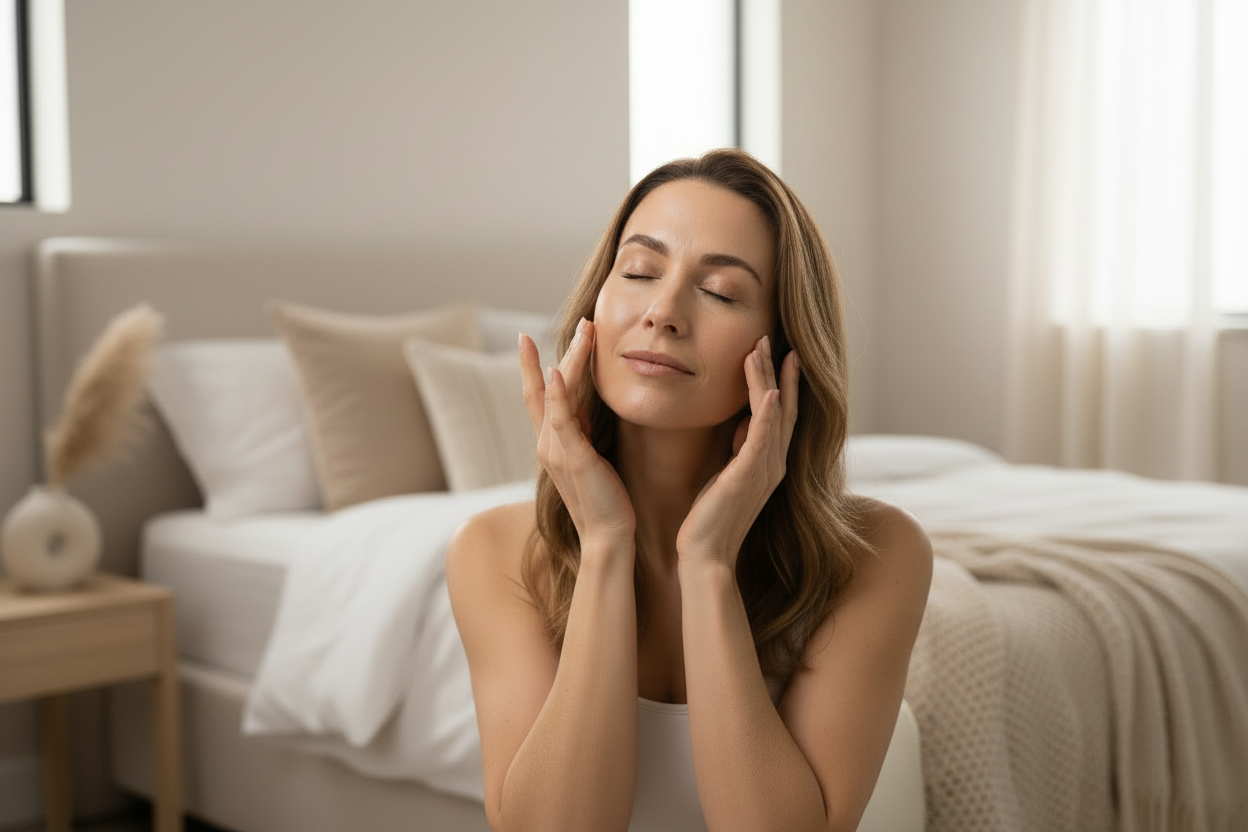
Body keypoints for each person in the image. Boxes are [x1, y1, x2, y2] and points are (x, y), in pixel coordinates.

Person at [446, 149, 932, 832]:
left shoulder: (879, 553)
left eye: (722, 292)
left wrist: (708, 563)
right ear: (595, 307)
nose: (663, 311)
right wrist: (605, 544)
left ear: (785, 349)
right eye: (639, 272)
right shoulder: (492, 551)